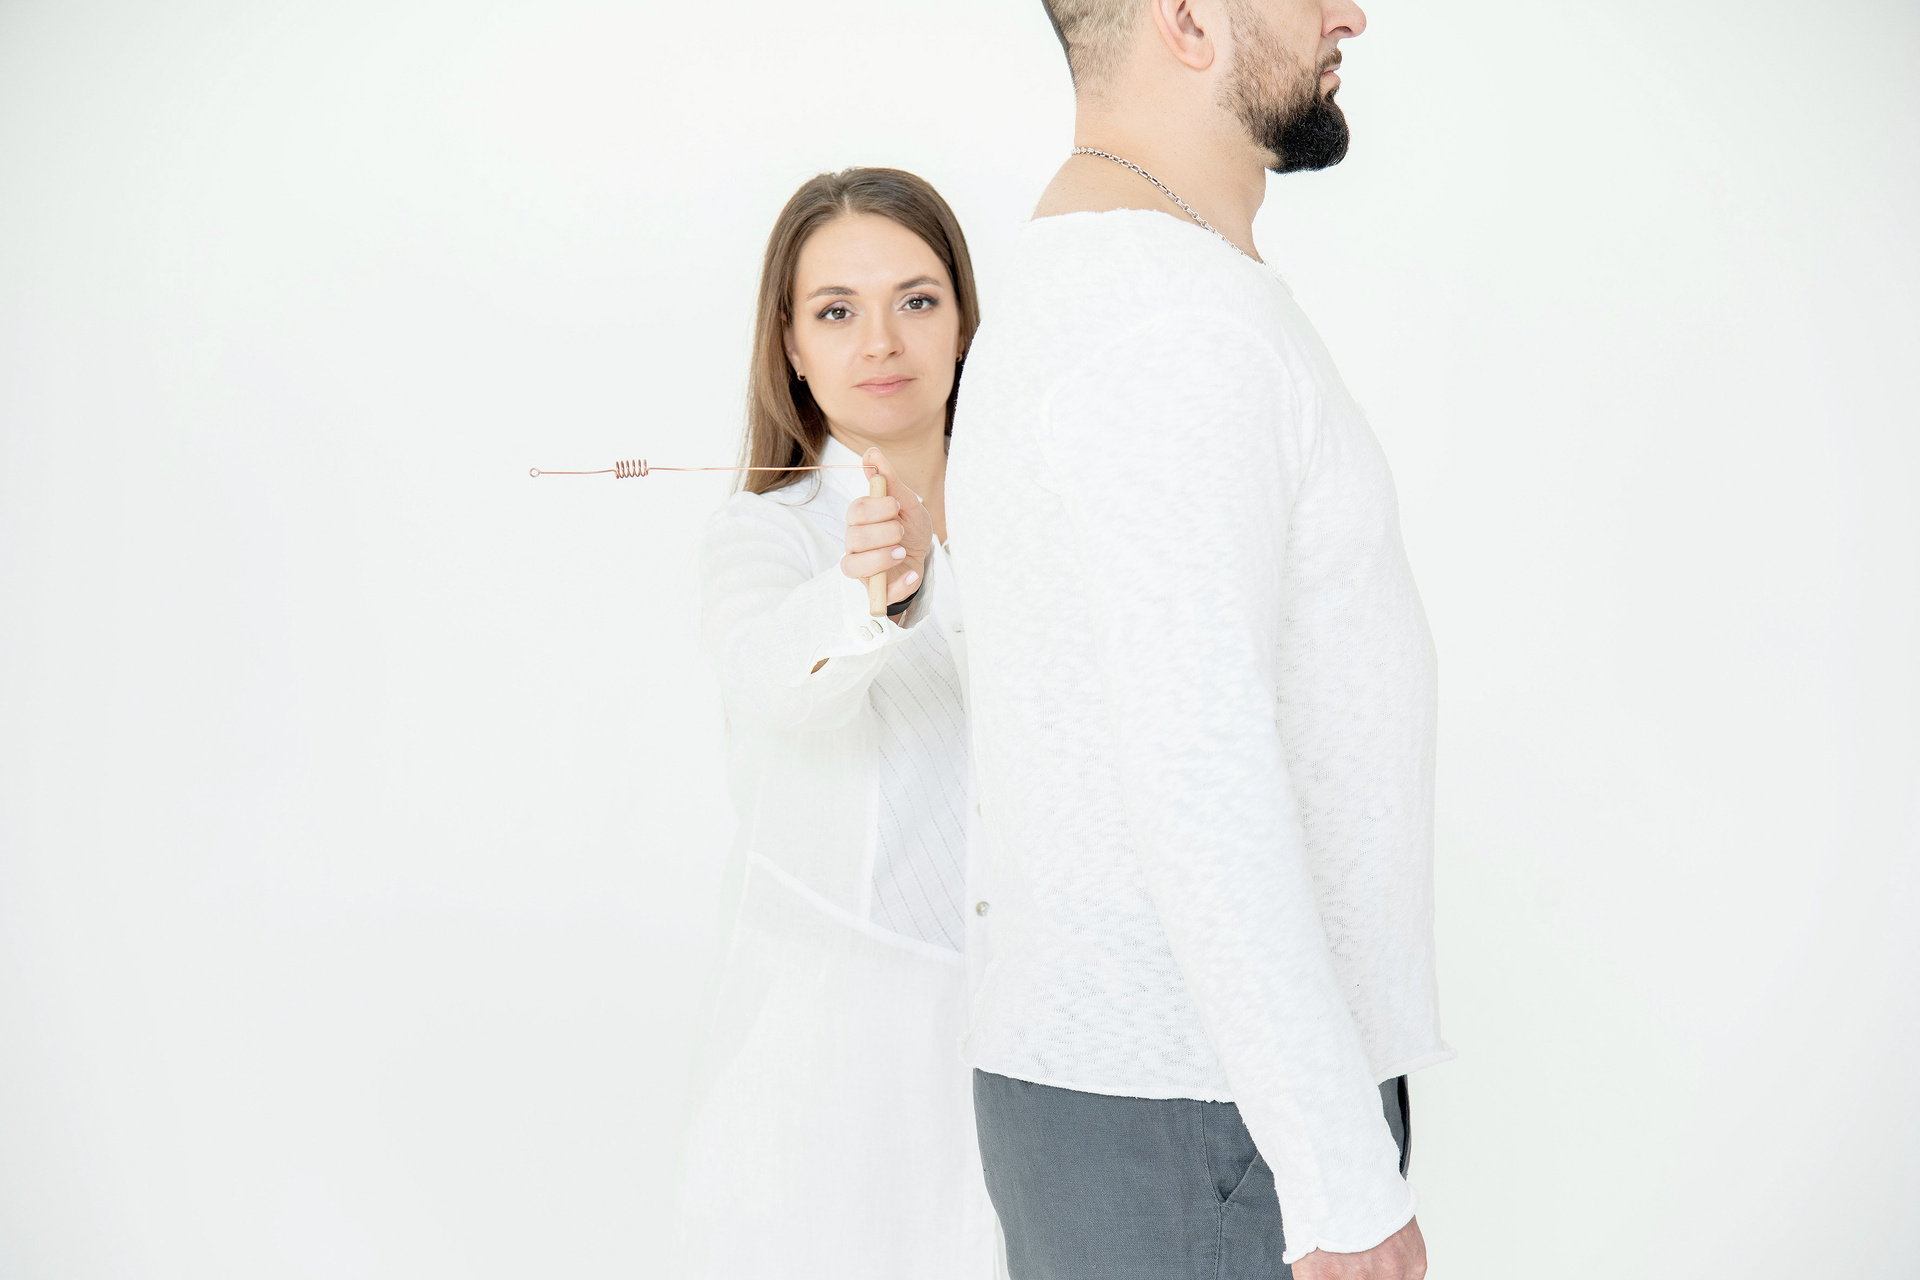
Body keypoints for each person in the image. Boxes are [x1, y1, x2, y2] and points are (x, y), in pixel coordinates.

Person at [946, 3, 1447, 1278]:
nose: (1349, 14)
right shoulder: (1173, 322)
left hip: (1167, 1104)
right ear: (1186, 18)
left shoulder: (1092, 286)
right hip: (1210, 1122)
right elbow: (1198, 769)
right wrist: (1339, 1177)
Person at [668, 168, 1001, 1278]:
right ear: (792, 346)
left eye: (916, 299)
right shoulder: (768, 536)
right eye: (836, 310)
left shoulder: (1038, 520)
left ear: (964, 319)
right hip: (840, 1065)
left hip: (1035, 1038)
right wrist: (870, 599)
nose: (882, 342)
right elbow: (773, 676)